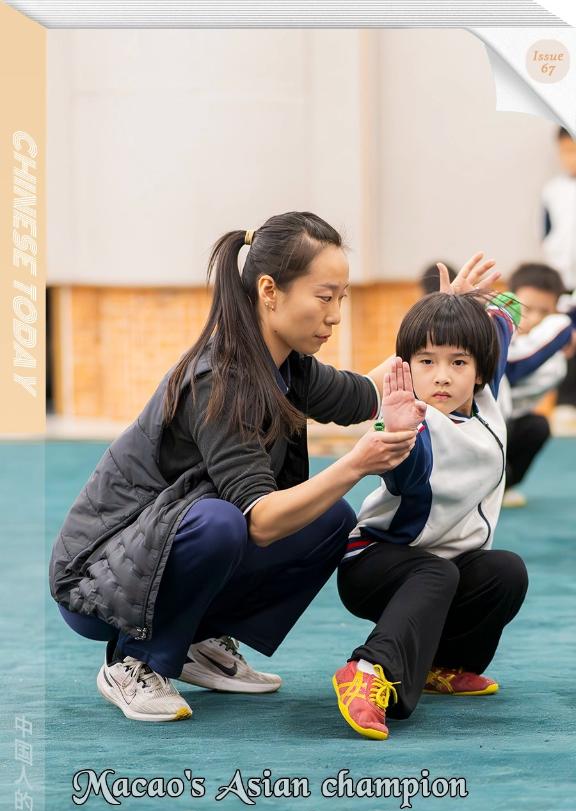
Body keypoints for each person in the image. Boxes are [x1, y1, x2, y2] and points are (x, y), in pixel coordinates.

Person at [49, 211, 426, 724]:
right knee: (222, 522)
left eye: (342, 297)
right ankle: (134, 661)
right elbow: (261, 521)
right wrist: (356, 463)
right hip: (98, 584)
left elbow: (366, 393)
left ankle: (196, 641)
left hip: (159, 556)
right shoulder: (220, 379)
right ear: (270, 291)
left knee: (330, 518)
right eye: (324, 296)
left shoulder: (285, 364)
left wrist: (441, 322)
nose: (336, 315)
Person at [332, 263, 528, 741]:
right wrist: (397, 431)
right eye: (426, 361)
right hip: (374, 562)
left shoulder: (485, 399)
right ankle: (367, 671)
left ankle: (443, 665)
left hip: (444, 564)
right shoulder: (410, 422)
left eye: (458, 363)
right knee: (437, 572)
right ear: (406, 367)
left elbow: (510, 310)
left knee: (505, 571)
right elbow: (407, 476)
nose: (442, 376)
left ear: (480, 370)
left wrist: (466, 304)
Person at [501, 262, 575, 508]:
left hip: (506, 424)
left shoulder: (555, 363)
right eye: (527, 309)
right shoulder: (492, 329)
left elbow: (514, 374)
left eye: (544, 312)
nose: (534, 318)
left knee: (538, 426)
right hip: (470, 424)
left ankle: (503, 484)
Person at [542, 126, 576, 411]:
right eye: (566, 151)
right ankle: (566, 403)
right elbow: (546, 233)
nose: (571, 157)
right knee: (567, 340)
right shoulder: (552, 191)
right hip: (565, 282)